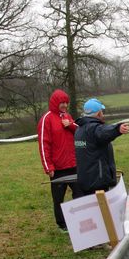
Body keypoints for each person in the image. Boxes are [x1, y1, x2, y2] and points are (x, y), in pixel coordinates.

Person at [37, 89, 84, 232]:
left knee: (80, 193)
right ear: (55, 103)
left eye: (66, 102)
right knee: (58, 198)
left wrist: (70, 125)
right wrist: (48, 167)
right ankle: (62, 224)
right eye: (61, 103)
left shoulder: (67, 116)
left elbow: (80, 132)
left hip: (73, 164)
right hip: (57, 168)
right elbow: (44, 144)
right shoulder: (46, 119)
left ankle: (80, 219)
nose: (64, 105)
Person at [74, 98, 129, 195]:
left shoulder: (80, 129)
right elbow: (104, 132)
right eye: (102, 112)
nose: (103, 114)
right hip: (97, 182)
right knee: (101, 205)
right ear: (99, 113)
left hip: (85, 179)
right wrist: (118, 129)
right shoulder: (94, 128)